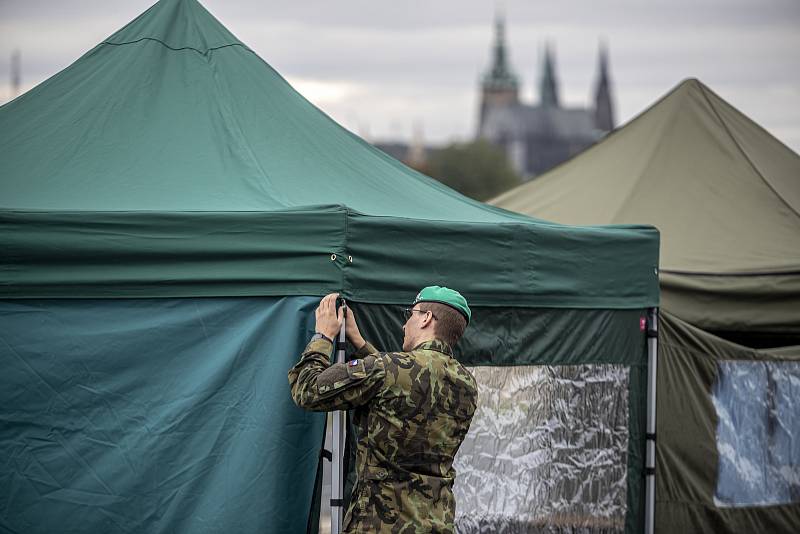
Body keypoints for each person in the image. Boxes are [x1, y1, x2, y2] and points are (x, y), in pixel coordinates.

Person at [288, 286, 478, 533]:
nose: (405, 324)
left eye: (411, 314)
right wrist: (361, 343)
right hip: (436, 523)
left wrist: (322, 337)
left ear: (426, 318)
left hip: (379, 523)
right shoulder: (466, 384)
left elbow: (307, 390)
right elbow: (402, 389)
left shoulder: (386, 369)